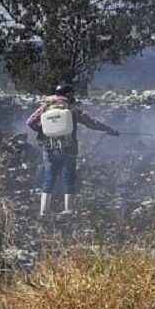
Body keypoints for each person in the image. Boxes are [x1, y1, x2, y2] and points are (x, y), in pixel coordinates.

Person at [26, 83, 119, 216]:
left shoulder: (45, 107)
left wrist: (42, 131)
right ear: (68, 94)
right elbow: (91, 123)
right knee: (68, 178)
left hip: (49, 147)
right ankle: (68, 210)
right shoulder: (72, 108)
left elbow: (30, 122)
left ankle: (43, 211)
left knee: (49, 178)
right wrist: (110, 130)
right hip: (68, 148)